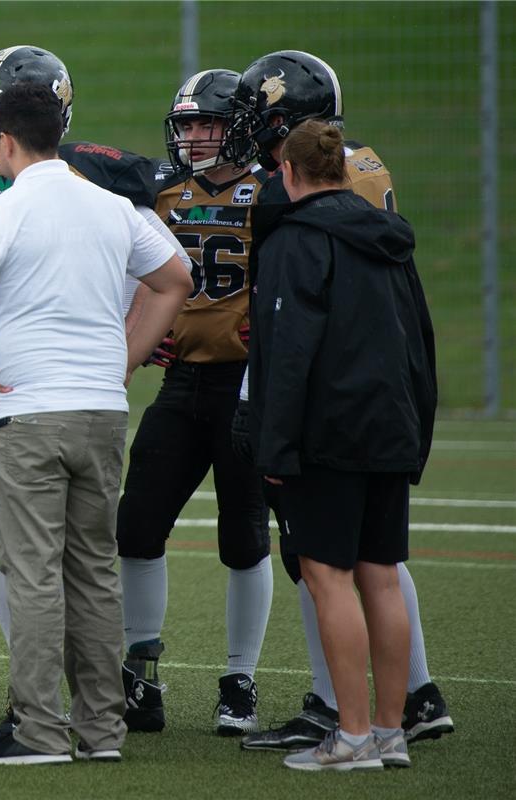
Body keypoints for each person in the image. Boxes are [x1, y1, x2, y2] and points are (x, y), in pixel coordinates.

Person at [0, 44, 171, 741]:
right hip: (93, 407)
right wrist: (122, 361)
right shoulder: (95, 199)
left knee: (31, 571)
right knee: (84, 570)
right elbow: (175, 278)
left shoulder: (26, 200)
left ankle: (37, 725)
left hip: (13, 402)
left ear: (5, 131)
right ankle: (95, 726)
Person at [228, 50, 454, 751]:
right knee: (380, 571)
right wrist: (417, 421)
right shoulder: (379, 207)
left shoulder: (290, 224)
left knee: (324, 573)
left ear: (290, 162)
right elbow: (418, 329)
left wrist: (270, 436)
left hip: (326, 418)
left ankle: (344, 723)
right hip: (388, 416)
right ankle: (396, 719)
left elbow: (288, 345)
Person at [114, 68, 272, 736]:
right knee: (136, 525)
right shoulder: (159, 193)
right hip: (181, 385)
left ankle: (239, 680)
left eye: (208, 122)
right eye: (186, 125)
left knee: (243, 540)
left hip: (245, 386)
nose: (196, 136)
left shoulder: (271, 191)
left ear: (239, 125)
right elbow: (129, 273)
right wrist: (139, 329)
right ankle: (138, 669)